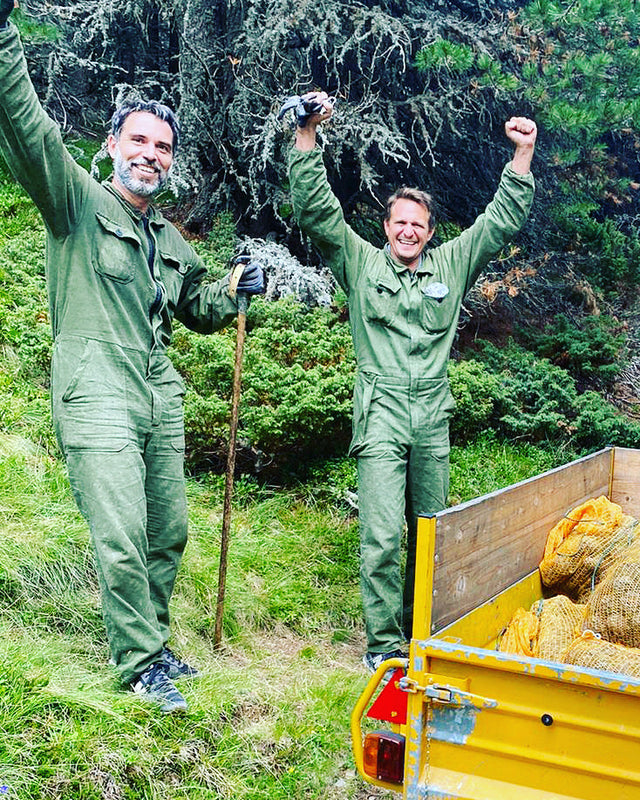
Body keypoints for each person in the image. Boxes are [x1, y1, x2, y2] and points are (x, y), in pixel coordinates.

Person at [0, 3, 265, 713]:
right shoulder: (76, 204)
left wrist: (235, 288)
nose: (151, 153)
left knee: (166, 531)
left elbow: (199, 306)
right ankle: (140, 663)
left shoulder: (167, 238)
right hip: (96, 388)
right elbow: (30, 131)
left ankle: (153, 637)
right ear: (113, 144)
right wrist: (3, 38)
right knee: (119, 532)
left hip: (157, 390)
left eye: (163, 146)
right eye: (139, 139)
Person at [288, 90, 536, 672]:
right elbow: (318, 212)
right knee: (381, 535)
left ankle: (419, 634)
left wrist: (522, 154)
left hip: (431, 415)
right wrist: (306, 135)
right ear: (386, 227)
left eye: (417, 225)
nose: (408, 232)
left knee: (431, 535)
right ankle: (382, 646)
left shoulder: (451, 263)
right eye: (399, 223)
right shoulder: (360, 262)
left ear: (429, 231)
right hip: (379, 411)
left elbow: (498, 223)